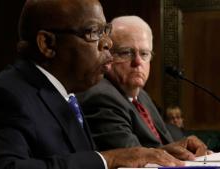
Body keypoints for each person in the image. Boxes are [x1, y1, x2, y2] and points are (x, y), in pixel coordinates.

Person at [0, 1, 185, 169]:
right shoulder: (2, 97)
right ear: (47, 43)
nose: (107, 43)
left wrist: (153, 155)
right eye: (93, 32)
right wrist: (109, 159)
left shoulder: (66, 95)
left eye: (105, 31)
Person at [78, 15, 209, 160]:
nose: (138, 62)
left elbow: (160, 146)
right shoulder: (101, 96)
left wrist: (186, 150)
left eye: (144, 53)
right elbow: (132, 159)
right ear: (108, 55)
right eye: (126, 52)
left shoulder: (141, 96)